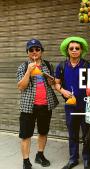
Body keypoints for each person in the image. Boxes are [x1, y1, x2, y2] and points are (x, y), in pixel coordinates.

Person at [17, 39, 59, 169]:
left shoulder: (48, 65)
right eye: (31, 50)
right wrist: (29, 72)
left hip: (45, 105)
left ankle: (40, 155)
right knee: (26, 134)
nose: (34, 52)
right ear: (28, 52)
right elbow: (21, 87)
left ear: (41, 51)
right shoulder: (23, 66)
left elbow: (52, 84)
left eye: (37, 49)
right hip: (28, 106)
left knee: (43, 132)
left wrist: (52, 81)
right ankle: (26, 161)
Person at [54, 37, 90, 169]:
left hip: (86, 105)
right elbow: (56, 83)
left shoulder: (88, 66)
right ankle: (73, 159)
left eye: (77, 48)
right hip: (70, 106)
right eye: (72, 48)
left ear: (81, 50)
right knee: (73, 133)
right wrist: (62, 91)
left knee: (87, 134)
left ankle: (87, 159)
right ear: (67, 50)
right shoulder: (62, 66)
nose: (74, 50)